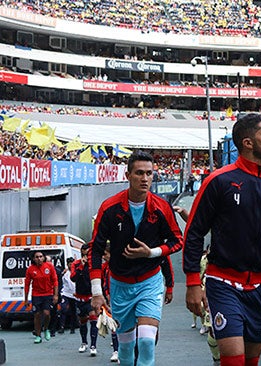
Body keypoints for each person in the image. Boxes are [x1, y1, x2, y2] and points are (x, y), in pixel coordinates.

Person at [183, 113, 261, 366]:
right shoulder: (218, 181)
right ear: (247, 142)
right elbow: (194, 232)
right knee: (233, 359)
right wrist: (192, 283)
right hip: (223, 283)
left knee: (251, 360)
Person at [89, 150, 184, 366]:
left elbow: (177, 241)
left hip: (150, 283)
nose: (145, 179)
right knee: (125, 348)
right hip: (120, 285)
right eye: (139, 173)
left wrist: (150, 253)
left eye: (149, 174)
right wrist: (96, 293)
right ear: (128, 175)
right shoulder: (109, 208)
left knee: (147, 342)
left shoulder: (161, 207)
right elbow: (95, 250)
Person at [24, 250, 59, 344]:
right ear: (33, 259)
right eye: (37, 257)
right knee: (37, 315)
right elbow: (27, 284)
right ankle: (38, 335)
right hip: (36, 295)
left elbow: (55, 281)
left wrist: (56, 295)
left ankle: (46, 328)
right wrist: (26, 299)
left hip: (48, 294)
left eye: (40, 256)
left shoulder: (49, 266)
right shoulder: (30, 269)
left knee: (47, 313)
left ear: (44, 258)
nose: (39, 259)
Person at [71, 244, 99, 356]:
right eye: (84, 253)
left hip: (91, 296)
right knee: (83, 321)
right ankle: (84, 342)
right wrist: (81, 267)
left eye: (88, 253)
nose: (86, 256)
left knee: (93, 319)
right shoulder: (76, 264)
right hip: (80, 296)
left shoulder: (94, 264)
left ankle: (93, 345)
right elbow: (73, 278)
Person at [59, 257, 78, 334]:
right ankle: (62, 327)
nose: (71, 265)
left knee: (73, 311)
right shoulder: (65, 273)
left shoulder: (77, 272)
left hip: (74, 295)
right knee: (63, 310)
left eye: (72, 264)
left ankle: (72, 327)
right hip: (66, 294)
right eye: (69, 264)